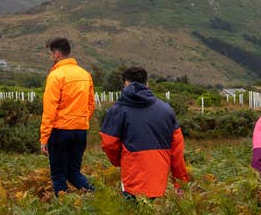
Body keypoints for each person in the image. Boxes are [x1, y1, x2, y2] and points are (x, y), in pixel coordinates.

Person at [100, 66, 190, 199]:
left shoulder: (117, 110)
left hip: (132, 178)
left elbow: (109, 143)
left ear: (125, 84)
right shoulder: (166, 110)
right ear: (147, 84)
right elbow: (177, 150)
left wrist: (120, 161)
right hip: (161, 180)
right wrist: (180, 183)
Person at [40, 37, 96, 195]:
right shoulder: (85, 74)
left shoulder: (56, 75)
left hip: (60, 131)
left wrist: (44, 137)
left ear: (57, 54)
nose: (51, 57)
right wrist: (80, 121)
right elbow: (91, 105)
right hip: (80, 131)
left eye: (51, 54)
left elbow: (50, 109)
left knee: (58, 175)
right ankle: (98, 197)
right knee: (74, 173)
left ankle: (63, 209)